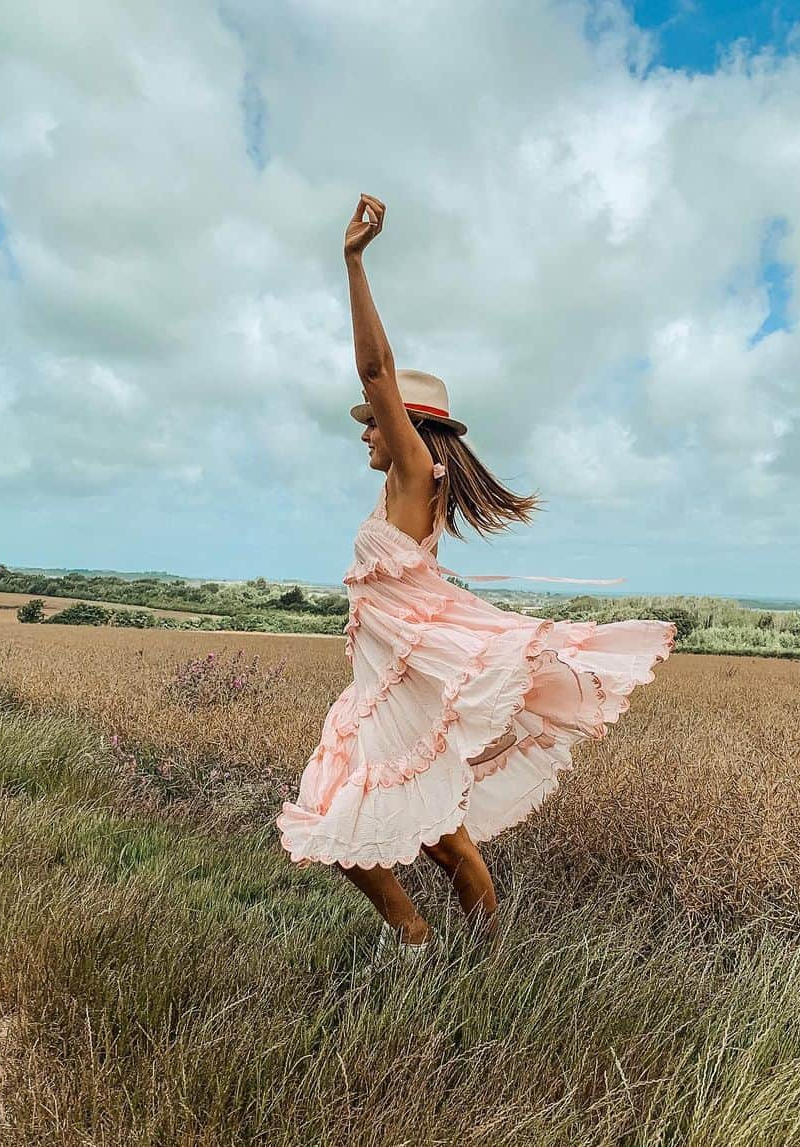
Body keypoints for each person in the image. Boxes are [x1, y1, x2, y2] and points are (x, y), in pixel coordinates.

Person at [276, 193, 676, 967]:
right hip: (382, 691)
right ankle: (426, 942)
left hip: (400, 693)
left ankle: (466, 956)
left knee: (410, 831)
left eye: (374, 420)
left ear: (408, 426)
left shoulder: (416, 473)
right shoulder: (399, 491)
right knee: (375, 824)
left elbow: (375, 366)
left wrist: (353, 261)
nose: (364, 430)